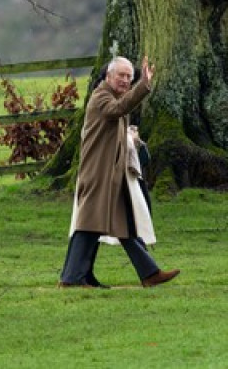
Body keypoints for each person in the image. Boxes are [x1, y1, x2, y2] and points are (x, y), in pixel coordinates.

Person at [58, 56, 180, 288]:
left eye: (129, 77)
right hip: (98, 172)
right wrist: (143, 85)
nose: (125, 80)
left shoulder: (113, 96)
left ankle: (148, 273)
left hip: (111, 173)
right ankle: (72, 278)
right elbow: (117, 110)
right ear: (108, 76)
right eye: (121, 76)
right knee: (89, 224)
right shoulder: (102, 96)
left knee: (123, 223)